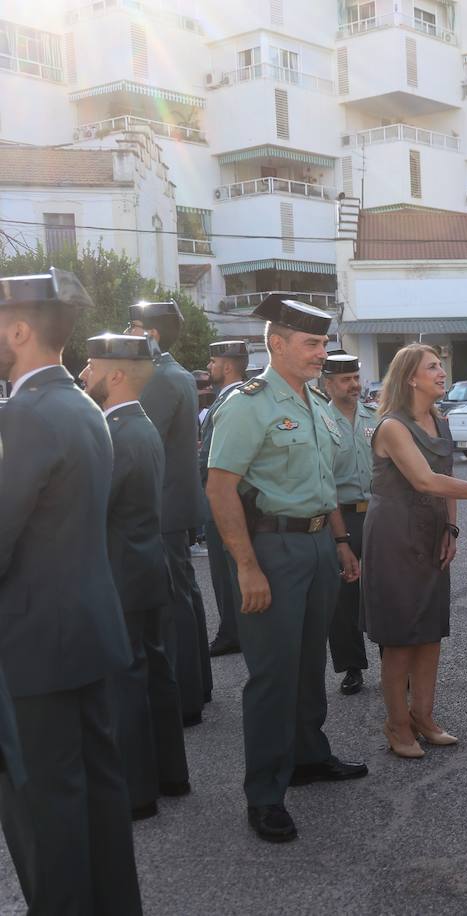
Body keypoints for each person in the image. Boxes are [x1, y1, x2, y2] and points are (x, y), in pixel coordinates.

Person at [0, 269, 143, 914]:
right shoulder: (83, 404)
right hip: (86, 630)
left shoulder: (24, 415)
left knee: (45, 807)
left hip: (34, 643)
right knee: (99, 794)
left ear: (18, 331)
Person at [206, 295, 367, 843]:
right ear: (276, 344)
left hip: (319, 545)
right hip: (272, 550)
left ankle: (308, 756)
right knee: (273, 674)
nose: (322, 353)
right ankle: (265, 793)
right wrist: (246, 567)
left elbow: (323, 483)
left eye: (324, 343)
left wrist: (341, 542)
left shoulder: (315, 400)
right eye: (311, 343)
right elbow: (220, 489)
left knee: (307, 662)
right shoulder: (247, 404)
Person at [363, 344, 467, 758]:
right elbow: (426, 481)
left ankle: (423, 717)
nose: (442, 372)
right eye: (432, 367)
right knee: (400, 637)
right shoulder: (393, 426)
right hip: (395, 536)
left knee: (429, 632)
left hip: (430, 530)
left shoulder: (439, 421)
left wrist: (451, 529)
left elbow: (445, 481)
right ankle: (397, 725)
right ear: (411, 378)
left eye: (441, 366)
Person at [84, 333, 191, 822]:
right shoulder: (140, 425)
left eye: (91, 367)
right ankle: (171, 774)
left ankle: (137, 793)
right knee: (156, 673)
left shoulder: (115, 433)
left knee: (125, 679)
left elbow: (93, 508)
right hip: (147, 566)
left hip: (120, 573)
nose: (84, 375)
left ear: (116, 374)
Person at [129, 299, 211, 724]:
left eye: (132, 326)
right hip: (176, 500)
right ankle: (200, 685)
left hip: (163, 502)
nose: (127, 333)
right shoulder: (175, 373)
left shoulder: (159, 377)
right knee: (186, 594)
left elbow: (144, 441)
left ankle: (185, 699)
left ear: (151, 333)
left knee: (174, 600)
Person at [321, 352, 377, 696]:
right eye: (346, 380)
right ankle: (352, 667)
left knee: (385, 590)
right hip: (340, 516)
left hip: (378, 513)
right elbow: (324, 483)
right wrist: (340, 537)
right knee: (343, 597)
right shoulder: (319, 421)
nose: (354, 385)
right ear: (327, 384)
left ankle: (394, 659)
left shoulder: (376, 416)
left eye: (356, 377)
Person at [203, 340, 251, 657]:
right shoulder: (231, 397)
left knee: (225, 571)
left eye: (213, 361)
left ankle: (233, 632)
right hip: (224, 492)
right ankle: (234, 629)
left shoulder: (233, 399)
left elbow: (210, 455)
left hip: (222, 494)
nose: (210, 366)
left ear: (228, 366)